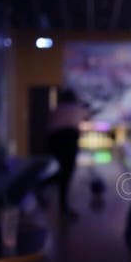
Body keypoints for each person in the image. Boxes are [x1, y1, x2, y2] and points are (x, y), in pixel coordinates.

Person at [48, 88, 88, 217]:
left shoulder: (57, 109)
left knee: (62, 172)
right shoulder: (77, 108)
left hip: (53, 141)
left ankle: (40, 186)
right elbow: (87, 115)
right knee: (66, 173)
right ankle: (63, 208)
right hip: (68, 140)